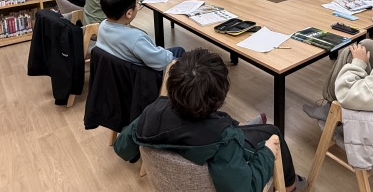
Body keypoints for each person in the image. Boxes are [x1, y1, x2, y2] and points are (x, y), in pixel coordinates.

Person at [113, 48, 306, 192]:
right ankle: (290, 186)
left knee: (236, 125)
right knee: (272, 133)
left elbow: (122, 148)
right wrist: (267, 153)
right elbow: (245, 189)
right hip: (224, 149)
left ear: (171, 85)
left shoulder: (150, 113)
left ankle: (244, 126)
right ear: (220, 97)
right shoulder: (223, 141)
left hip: (172, 173)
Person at [96, 0, 184, 70]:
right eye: (137, 4)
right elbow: (162, 62)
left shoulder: (102, 25)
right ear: (129, 13)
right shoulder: (136, 38)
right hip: (147, 73)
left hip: (122, 67)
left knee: (179, 50)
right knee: (183, 60)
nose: (138, 6)